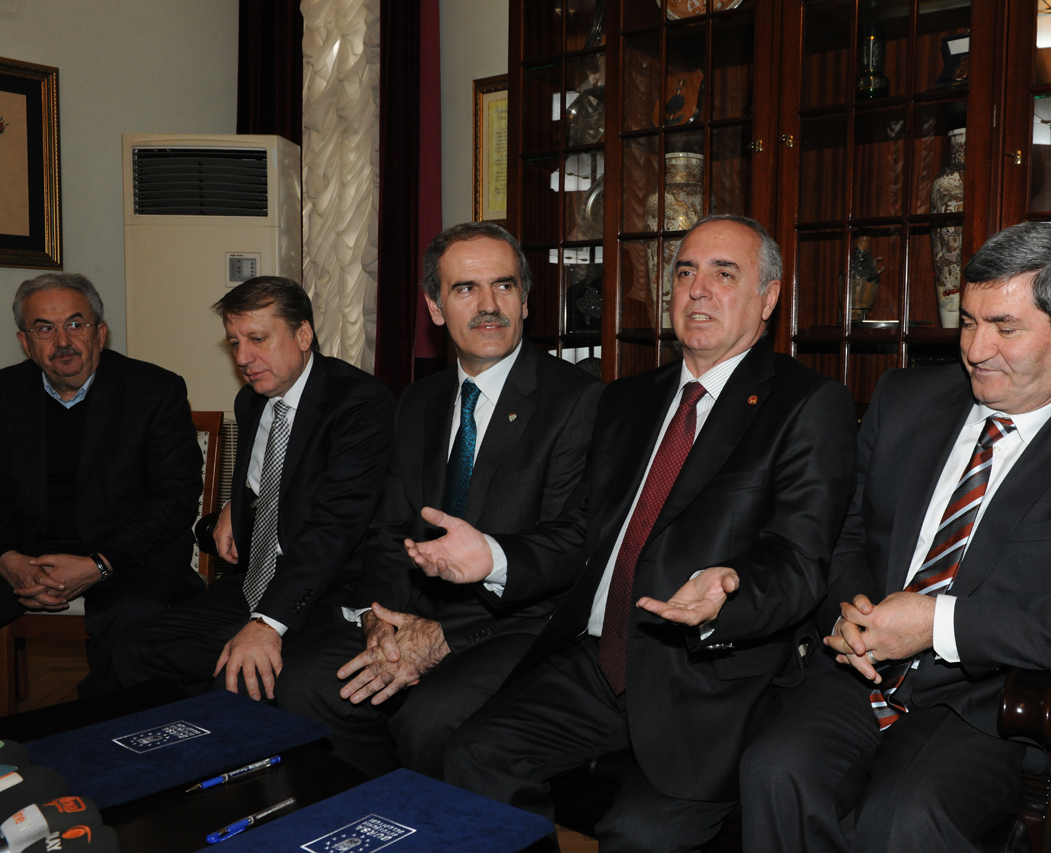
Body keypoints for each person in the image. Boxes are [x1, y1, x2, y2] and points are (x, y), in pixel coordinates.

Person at [403, 215, 857, 851]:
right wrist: (495, 557)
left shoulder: (807, 404)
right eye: (685, 272)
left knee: (636, 835)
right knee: (476, 754)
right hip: (599, 660)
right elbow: (582, 533)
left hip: (705, 677)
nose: (698, 289)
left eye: (724, 274)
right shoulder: (627, 399)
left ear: (769, 297)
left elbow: (798, 562)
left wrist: (729, 593)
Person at [738, 221, 1051, 852]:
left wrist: (938, 624)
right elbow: (847, 533)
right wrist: (852, 609)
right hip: (861, 667)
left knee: (905, 816)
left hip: (994, 698)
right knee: (774, 770)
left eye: (1005, 328)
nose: (976, 349)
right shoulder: (905, 399)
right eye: (969, 323)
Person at [275, 222, 603, 778]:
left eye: (504, 286)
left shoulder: (578, 400)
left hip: (517, 625)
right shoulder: (418, 401)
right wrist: (378, 620)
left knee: (428, 718)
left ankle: (433, 817)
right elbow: (388, 531)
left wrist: (444, 637)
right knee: (307, 683)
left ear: (526, 301)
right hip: (414, 610)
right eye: (465, 288)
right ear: (434, 307)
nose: (489, 305)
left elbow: (572, 546)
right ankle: (376, 810)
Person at [113, 276, 396, 700]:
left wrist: (266, 623)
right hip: (253, 578)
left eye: (258, 339)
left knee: (234, 676)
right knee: (135, 651)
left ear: (303, 335)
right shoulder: (251, 401)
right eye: (234, 343)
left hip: (323, 588)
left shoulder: (359, 403)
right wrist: (237, 502)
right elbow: (277, 474)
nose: (244, 358)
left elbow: (334, 526)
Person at [0, 273, 205, 696]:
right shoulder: (4, 393)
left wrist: (99, 563)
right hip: (22, 549)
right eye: (45, 328)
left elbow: (175, 497)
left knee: (134, 613)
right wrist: (9, 559)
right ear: (25, 341)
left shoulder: (155, 391)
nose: (63, 341)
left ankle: (106, 725)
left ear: (100, 333)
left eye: (76, 324)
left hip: (127, 553)